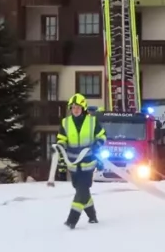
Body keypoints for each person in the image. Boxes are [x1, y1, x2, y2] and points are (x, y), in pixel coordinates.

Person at [57, 93, 107, 228]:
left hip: (88, 162)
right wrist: (60, 145)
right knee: (81, 190)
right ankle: (92, 216)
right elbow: (62, 138)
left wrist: (97, 144)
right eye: (73, 107)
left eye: (78, 107)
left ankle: (71, 220)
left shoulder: (92, 121)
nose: (75, 110)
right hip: (73, 164)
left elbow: (102, 136)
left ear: (83, 108)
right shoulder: (65, 122)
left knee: (82, 190)